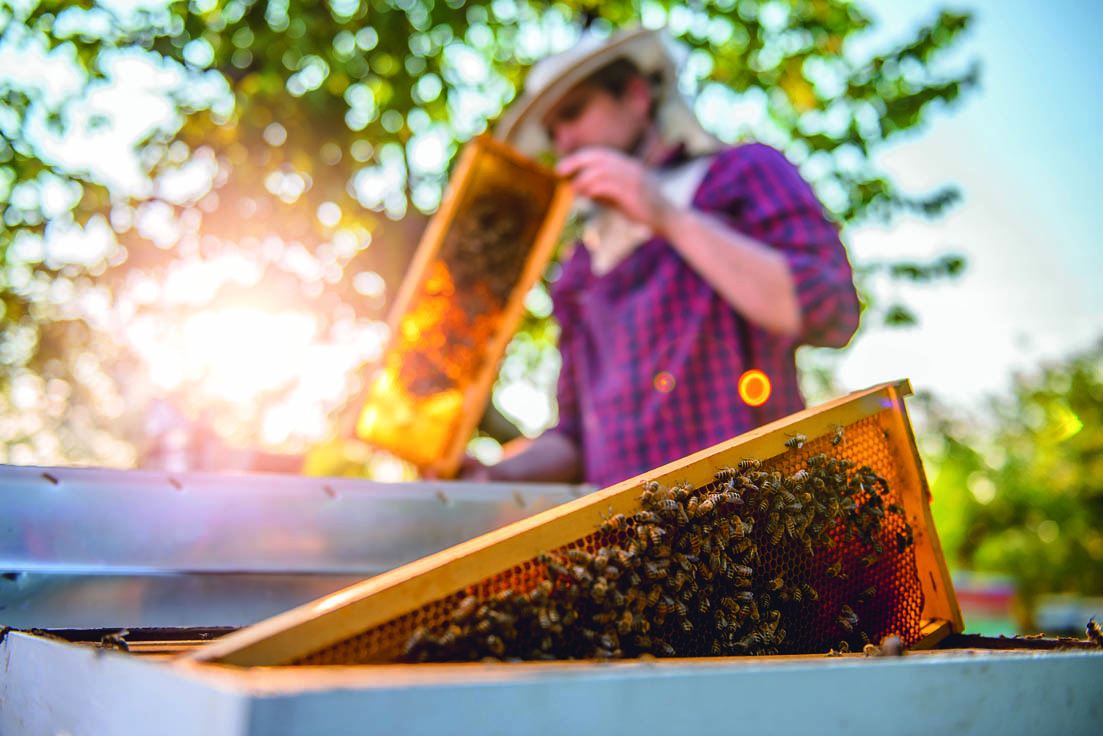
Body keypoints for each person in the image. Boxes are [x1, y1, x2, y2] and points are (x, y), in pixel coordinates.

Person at [458, 27, 861, 489]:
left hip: (761, 528)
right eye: (552, 131)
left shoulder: (743, 174)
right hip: (632, 549)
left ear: (635, 96)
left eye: (573, 113)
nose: (564, 141)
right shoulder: (579, 272)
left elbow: (831, 311)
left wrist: (665, 216)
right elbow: (576, 435)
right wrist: (495, 473)